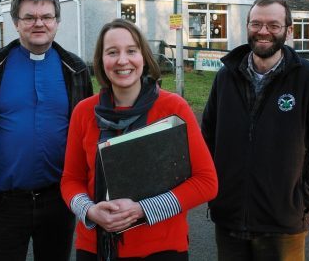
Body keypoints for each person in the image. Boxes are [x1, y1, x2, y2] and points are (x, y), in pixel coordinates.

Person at [201, 0, 309, 261]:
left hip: (283, 225)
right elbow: (207, 139)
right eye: (256, 24)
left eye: (273, 25)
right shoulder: (226, 77)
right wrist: (216, 194)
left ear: (288, 31)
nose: (263, 31)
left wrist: (304, 201)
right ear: (247, 26)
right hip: (228, 220)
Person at [61, 18, 218, 260]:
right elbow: (71, 181)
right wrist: (91, 211)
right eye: (112, 52)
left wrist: (141, 210)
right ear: (101, 62)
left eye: (131, 51)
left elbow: (206, 182)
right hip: (96, 249)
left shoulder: (173, 108)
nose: (122, 60)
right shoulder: (84, 112)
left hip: (162, 248)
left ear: (143, 57)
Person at [0, 0, 93, 260]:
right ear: (15, 23)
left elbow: (88, 135)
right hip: (5, 203)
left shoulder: (76, 70)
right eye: (29, 17)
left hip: (59, 201)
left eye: (46, 17)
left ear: (57, 22)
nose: (39, 23)